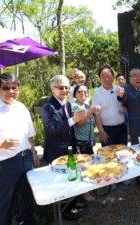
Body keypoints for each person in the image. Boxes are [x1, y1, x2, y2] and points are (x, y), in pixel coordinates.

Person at [0, 73, 39, 225]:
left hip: (26, 158)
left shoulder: (21, 107)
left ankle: (26, 222)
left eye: (14, 88)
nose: (11, 91)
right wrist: (1, 144)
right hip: (4, 164)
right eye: (6, 88)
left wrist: (33, 153)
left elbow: (30, 135)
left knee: (27, 197)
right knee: (4, 205)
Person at [41, 75, 86, 221]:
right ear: (52, 88)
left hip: (69, 147)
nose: (65, 90)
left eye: (67, 87)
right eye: (61, 87)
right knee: (60, 182)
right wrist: (74, 119)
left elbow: (70, 129)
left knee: (73, 176)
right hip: (56, 150)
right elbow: (53, 129)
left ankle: (72, 203)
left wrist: (75, 145)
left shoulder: (66, 104)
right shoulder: (48, 107)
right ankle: (63, 211)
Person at [117, 68, 140, 187]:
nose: (138, 78)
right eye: (135, 76)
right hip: (136, 125)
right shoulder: (126, 89)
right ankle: (139, 177)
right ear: (130, 78)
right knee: (137, 151)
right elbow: (122, 98)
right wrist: (120, 97)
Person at [72, 84, 99, 202]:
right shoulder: (74, 106)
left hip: (89, 141)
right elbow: (80, 123)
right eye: (80, 92)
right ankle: (84, 193)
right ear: (75, 94)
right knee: (82, 167)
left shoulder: (87, 105)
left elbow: (92, 124)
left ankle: (89, 187)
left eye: (85, 92)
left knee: (90, 166)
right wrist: (90, 111)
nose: (83, 94)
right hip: (80, 142)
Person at [92, 67, 127, 147]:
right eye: (103, 76)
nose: (106, 79)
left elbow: (127, 104)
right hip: (106, 130)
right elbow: (96, 114)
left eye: (108, 76)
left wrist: (125, 107)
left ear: (113, 77)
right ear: (99, 78)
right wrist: (101, 131)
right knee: (108, 155)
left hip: (122, 128)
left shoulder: (119, 90)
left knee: (123, 153)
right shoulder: (97, 93)